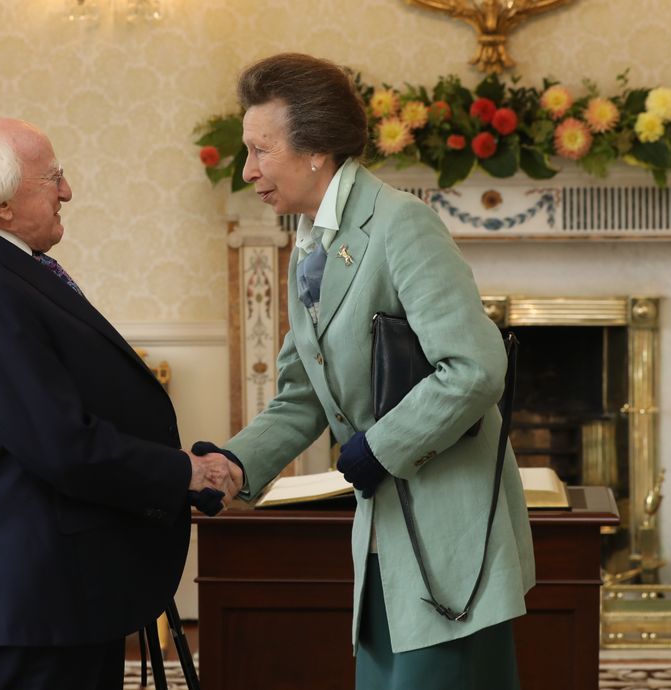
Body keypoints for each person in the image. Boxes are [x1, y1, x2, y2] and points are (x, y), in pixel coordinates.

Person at [197, 54, 536, 689]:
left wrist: (379, 449)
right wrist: (235, 464)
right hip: (385, 533)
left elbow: (476, 366)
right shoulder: (310, 241)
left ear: (316, 149)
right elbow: (302, 393)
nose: (248, 172)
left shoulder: (401, 224)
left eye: (259, 151)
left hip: (448, 534)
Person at [0, 117, 241, 690]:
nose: (68, 192)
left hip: (56, 575)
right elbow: (60, 443)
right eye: (53, 178)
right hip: (38, 583)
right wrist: (183, 471)